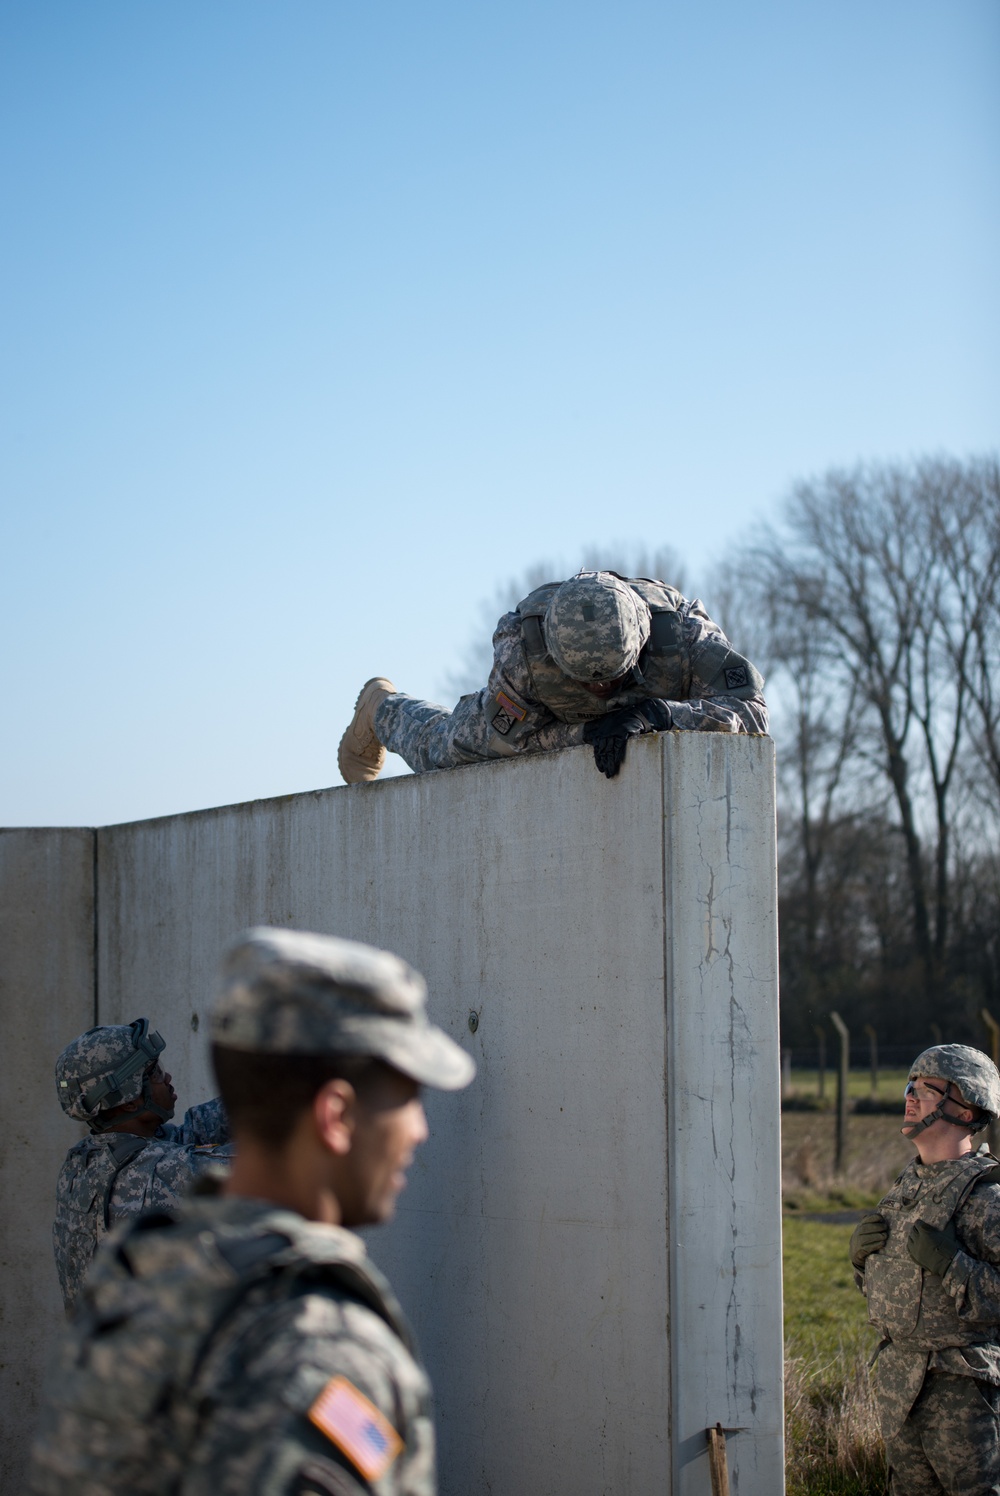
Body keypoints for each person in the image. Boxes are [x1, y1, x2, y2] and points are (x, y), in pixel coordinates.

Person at [28, 926, 475, 1496]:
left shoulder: (108, 1209)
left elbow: (192, 1138)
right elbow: (223, 1161)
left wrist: (267, 1094)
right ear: (334, 1117)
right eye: (404, 1098)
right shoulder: (313, 1346)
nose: (418, 1129)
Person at [338, 568, 768, 784]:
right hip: (552, 716)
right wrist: (587, 734)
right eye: (587, 681)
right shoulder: (523, 652)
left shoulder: (684, 632)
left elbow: (751, 714)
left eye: (611, 679)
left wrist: (662, 714)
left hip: (655, 710)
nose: (600, 689)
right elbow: (515, 743)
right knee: (442, 750)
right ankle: (380, 709)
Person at [849, 1044, 1000, 1496]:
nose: (910, 1096)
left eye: (925, 1088)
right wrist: (862, 1264)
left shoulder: (986, 1201)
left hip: (964, 1396)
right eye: (909, 1086)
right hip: (901, 1391)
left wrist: (954, 1265)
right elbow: (901, 1292)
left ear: (965, 1107)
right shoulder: (905, 1190)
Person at [52, 1017, 231, 1314]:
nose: (168, 1076)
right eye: (155, 1073)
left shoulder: (84, 1160)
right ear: (130, 1101)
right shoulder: (156, 1172)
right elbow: (266, 1167)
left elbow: (190, 1133)